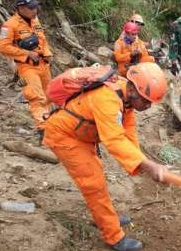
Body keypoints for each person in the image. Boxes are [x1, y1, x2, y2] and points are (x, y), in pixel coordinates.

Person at [43, 63, 168, 251]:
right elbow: (115, 140)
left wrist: (141, 161)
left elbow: (128, 129)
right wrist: (148, 165)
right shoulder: (107, 99)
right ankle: (113, 237)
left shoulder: (126, 94)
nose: (148, 106)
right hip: (65, 136)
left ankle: (106, 218)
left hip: (82, 136)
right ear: (133, 89)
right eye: (146, 101)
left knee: (97, 180)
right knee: (93, 184)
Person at [0, 0, 53, 139]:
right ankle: (43, 130)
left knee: (48, 96)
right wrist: (26, 53)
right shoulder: (10, 25)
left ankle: (49, 124)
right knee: (36, 98)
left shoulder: (36, 22)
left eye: (36, 7)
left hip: (43, 65)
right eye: (31, 8)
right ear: (21, 8)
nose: (35, 11)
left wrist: (47, 53)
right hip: (27, 67)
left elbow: (43, 40)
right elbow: (3, 47)